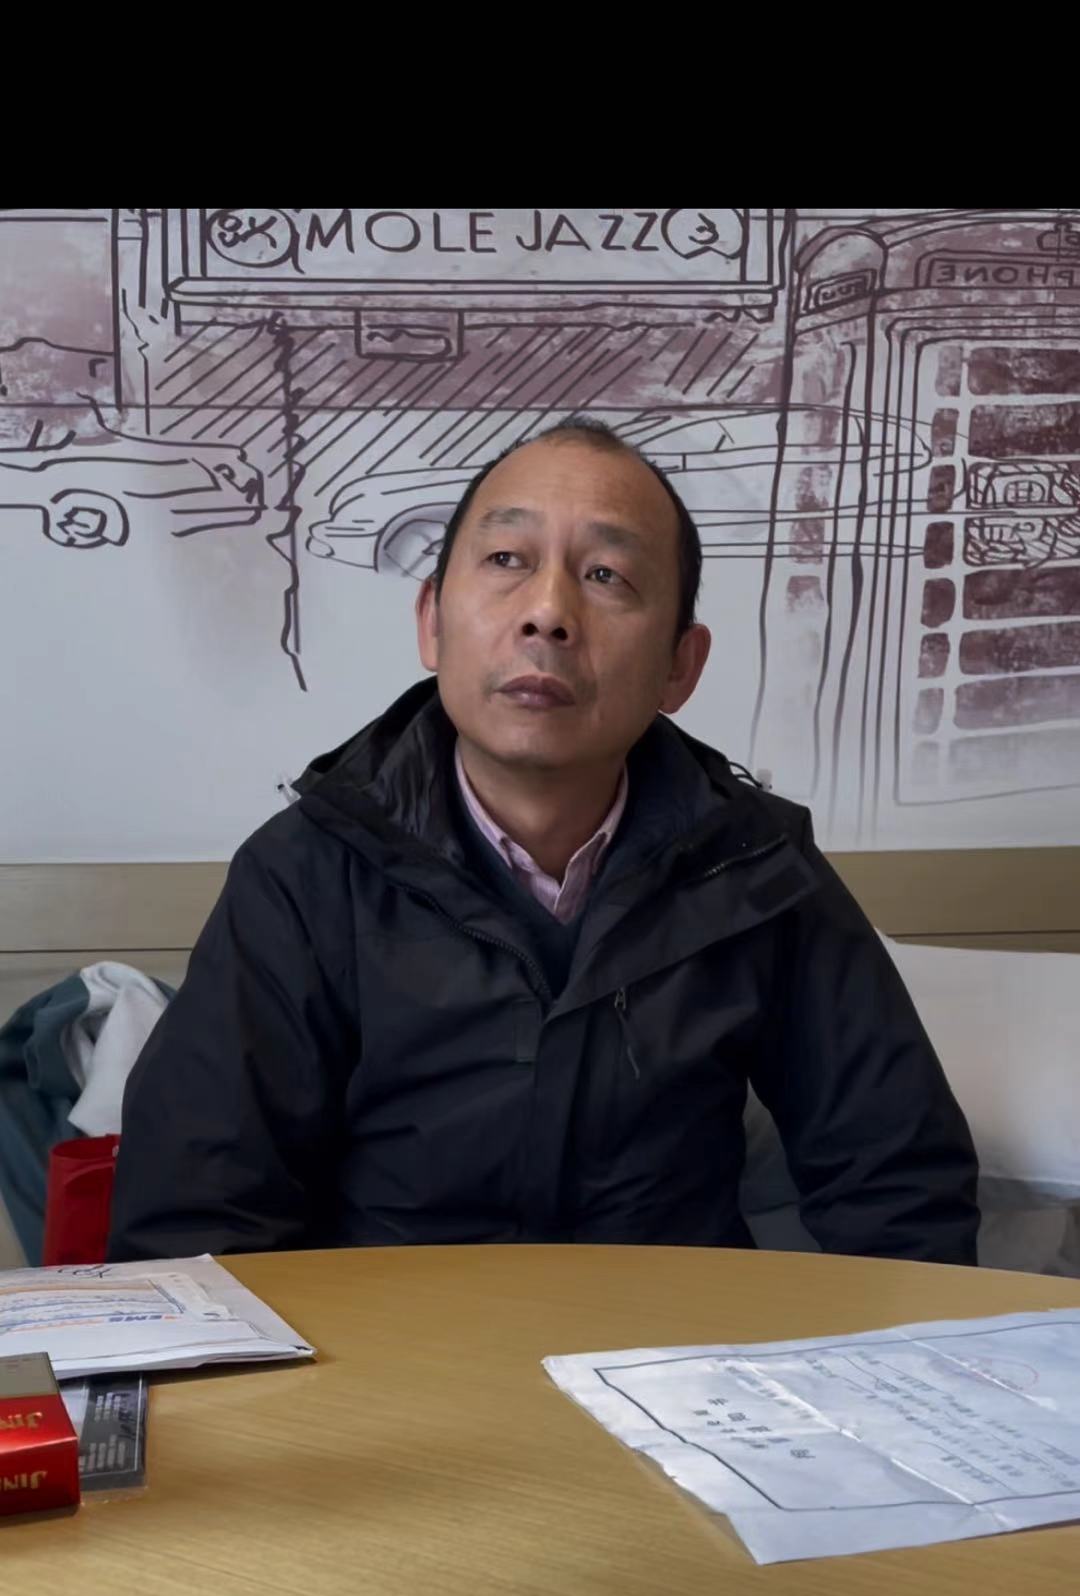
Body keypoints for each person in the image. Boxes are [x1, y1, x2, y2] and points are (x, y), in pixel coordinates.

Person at [108, 419, 979, 1266]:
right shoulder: (305, 874)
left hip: (677, 1343)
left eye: (606, 574)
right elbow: (195, 1225)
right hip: (391, 1344)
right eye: (506, 560)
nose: (549, 613)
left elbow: (898, 1187)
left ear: (680, 665)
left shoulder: (755, 868)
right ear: (432, 622)